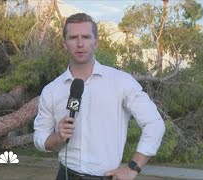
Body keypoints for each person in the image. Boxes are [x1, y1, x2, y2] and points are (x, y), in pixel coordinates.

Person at [33, 13, 165, 180]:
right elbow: (39, 137)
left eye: (86, 37)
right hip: (65, 175)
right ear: (64, 44)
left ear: (96, 41)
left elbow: (154, 123)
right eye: (73, 37)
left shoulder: (121, 82)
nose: (80, 44)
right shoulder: (51, 90)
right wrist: (57, 138)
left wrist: (133, 167)